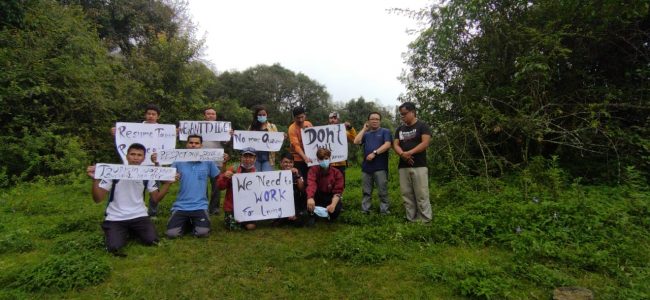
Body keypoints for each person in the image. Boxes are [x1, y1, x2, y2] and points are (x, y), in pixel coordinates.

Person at [87, 143, 175, 256]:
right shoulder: (113, 172)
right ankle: (119, 231)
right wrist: (95, 180)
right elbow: (98, 199)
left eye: (139, 155)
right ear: (127, 156)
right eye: (132, 154)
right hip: (116, 217)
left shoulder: (147, 174)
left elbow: (156, 198)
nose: (135, 157)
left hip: (139, 215)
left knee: (152, 240)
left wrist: (167, 185)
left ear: (143, 158)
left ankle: (131, 231)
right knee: (114, 248)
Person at [156, 134, 220, 238]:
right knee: (172, 234)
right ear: (187, 144)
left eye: (196, 143)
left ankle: (192, 223)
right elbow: (164, 181)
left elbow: (219, 178)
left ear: (201, 146)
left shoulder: (208, 161)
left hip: (200, 205)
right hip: (181, 205)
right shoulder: (178, 161)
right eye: (191, 143)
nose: (193, 145)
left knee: (202, 233)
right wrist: (158, 166)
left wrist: (225, 165)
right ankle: (188, 222)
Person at [110, 103, 164, 217]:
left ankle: (153, 213)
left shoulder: (164, 130)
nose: (151, 116)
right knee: (138, 186)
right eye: (149, 113)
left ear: (158, 116)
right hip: (137, 163)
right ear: (145, 115)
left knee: (155, 186)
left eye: (153, 114)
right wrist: (117, 133)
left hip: (155, 164)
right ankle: (139, 210)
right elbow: (124, 141)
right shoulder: (135, 129)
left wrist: (176, 133)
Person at [393, 102, 432, 223]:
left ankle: (425, 220)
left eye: (404, 114)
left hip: (419, 165)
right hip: (403, 166)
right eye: (401, 115)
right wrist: (402, 154)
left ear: (412, 112)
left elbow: (425, 143)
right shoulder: (399, 129)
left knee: (421, 194)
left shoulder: (422, 126)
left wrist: (409, 152)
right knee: (407, 194)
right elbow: (395, 144)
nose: (402, 117)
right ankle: (411, 219)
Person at [354, 112, 393, 215]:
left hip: (380, 167)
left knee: (382, 191)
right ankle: (365, 210)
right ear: (368, 121)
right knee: (366, 191)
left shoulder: (385, 131)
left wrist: (374, 153)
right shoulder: (366, 134)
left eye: (377, 119)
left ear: (380, 121)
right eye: (372, 119)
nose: (374, 121)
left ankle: (384, 211)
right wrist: (364, 129)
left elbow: (387, 144)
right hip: (367, 168)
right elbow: (356, 141)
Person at [217, 147, 258, 230]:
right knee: (232, 226)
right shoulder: (233, 169)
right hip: (231, 206)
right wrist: (224, 177)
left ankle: (245, 220)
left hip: (249, 205)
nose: (248, 159)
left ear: (254, 159)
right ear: (241, 157)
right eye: (245, 157)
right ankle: (235, 219)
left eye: (250, 157)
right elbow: (220, 186)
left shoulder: (257, 172)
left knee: (251, 226)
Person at [202, 107, 230, 215]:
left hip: (217, 160)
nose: (210, 115)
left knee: (216, 186)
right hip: (201, 160)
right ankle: (202, 207)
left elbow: (226, 143)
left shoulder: (222, 128)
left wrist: (229, 136)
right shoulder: (197, 127)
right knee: (202, 186)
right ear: (204, 116)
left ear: (216, 116)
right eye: (208, 113)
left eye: (213, 114)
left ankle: (214, 208)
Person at [306, 148, 344, 222]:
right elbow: (311, 184)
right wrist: (310, 198)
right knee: (308, 204)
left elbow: (338, 191)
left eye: (326, 158)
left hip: (331, 196)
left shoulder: (337, 172)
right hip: (318, 195)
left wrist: (333, 204)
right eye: (321, 159)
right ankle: (313, 214)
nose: (324, 161)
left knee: (335, 211)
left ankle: (328, 213)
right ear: (317, 160)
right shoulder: (313, 170)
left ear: (330, 158)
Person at [327, 111, 357, 181]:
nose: (332, 120)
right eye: (331, 118)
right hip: (327, 163)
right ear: (328, 119)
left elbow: (354, 140)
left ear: (338, 120)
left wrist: (350, 128)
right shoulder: (323, 131)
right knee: (328, 184)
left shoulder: (343, 131)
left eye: (335, 118)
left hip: (340, 163)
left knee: (340, 184)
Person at [279, 153, 307, 225]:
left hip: (295, 201)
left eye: (290, 162)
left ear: (293, 163)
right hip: (281, 202)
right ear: (281, 163)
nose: (288, 165)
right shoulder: (276, 175)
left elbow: (302, 189)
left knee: (299, 222)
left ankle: (295, 215)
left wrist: (297, 175)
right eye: (285, 162)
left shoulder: (297, 173)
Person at [248, 105, 278, 172]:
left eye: (264, 114)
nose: (262, 116)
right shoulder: (251, 127)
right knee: (255, 178)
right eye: (260, 115)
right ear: (256, 116)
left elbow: (277, 142)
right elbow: (246, 141)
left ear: (267, 115)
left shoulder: (273, 127)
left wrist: (282, 137)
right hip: (254, 158)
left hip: (268, 158)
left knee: (266, 178)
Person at [288, 106, 313, 180]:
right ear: (294, 118)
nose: (300, 119)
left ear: (305, 115)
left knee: (310, 179)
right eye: (298, 118)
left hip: (310, 157)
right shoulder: (292, 128)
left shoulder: (309, 124)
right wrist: (305, 158)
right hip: (298, 159)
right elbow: (296, 146)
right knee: (300, 179)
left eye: (302, 117)